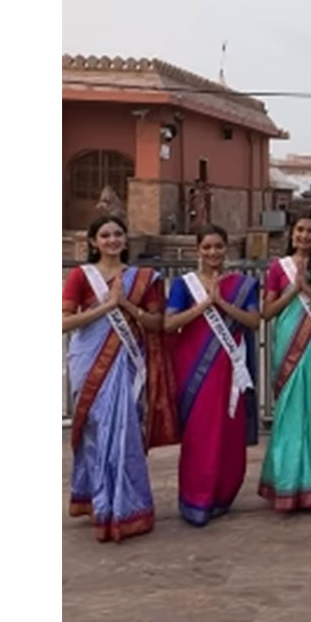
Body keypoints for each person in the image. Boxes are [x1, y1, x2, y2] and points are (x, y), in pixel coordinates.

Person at [61, 215, 176, 543]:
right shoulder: (81, 277)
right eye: (105, 235)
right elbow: (64, 322)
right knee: (96, 432)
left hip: (127, 362)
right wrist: (107, 307)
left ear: (125, 240)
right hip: (89, 360)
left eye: (118, 234)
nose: (112, 240)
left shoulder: (144, 278)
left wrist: (126, 305)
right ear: (94, 242)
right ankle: (100, 501)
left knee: (125, 430)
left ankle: (128, 507)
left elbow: (157, 322)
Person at [162, 225, 260, 526]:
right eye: (206, 247)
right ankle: (195, 498)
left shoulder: (243, 284)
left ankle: (221, 496)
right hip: (195, 371)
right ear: (197, 250)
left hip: (230, 371)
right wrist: (204, 305)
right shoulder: (183, 285)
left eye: (218, 246)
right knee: (199, 435)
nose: (213, 252)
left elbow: (254, 322)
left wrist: (224, 305)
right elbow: (169, 324)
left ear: (226, 248)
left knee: (227, 435)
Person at [258, 211, 311, 512]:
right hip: (288, 346)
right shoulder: (277, 269)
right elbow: (267, 312)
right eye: (299, 230)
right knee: (289, 414)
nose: (304, 236)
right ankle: (285, 482)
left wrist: (310, 292)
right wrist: (293, 292)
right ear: (291, 234)